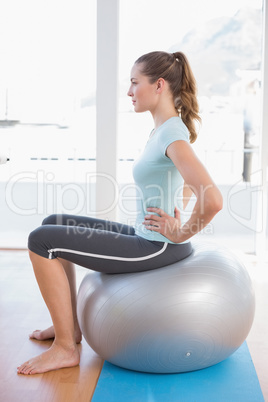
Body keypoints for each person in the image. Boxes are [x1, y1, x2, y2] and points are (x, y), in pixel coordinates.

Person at [17, 51, 223, 375]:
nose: (128, 92)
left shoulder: (172, 133)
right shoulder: (164, 130)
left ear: (158, 85)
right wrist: (175, 207)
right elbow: (180, 180)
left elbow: (212, 199)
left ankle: (65, 349)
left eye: (133, 82)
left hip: (157, 246)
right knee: (52, 224)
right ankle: (68, 330)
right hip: (149, 235)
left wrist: (180, 232)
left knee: (40, 240)